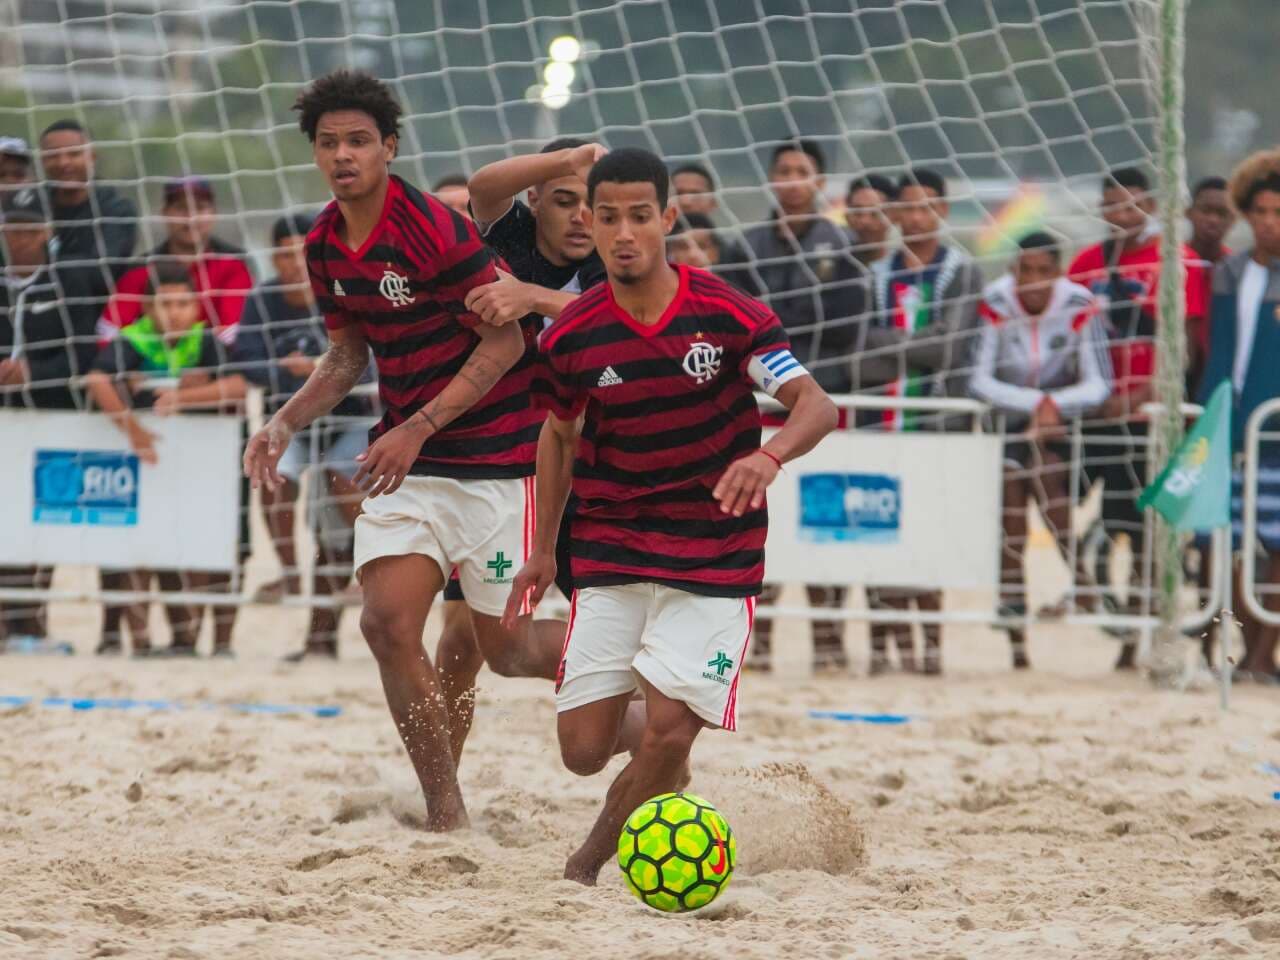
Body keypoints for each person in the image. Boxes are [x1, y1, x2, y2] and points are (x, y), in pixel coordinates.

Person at [505, 147, 838, 885]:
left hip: (714, 558)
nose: (625, 233)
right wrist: (542, 549)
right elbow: (558, 437)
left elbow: (817, 406)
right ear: (588, 222)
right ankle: (661, 751)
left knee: (665, 735)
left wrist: (769, 457)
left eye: (640, 217)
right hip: (612, 550)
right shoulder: (571, 334)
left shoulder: (728, 315)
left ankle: (588, 862)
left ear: (669, 218)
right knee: (583, 752)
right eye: (609, 218)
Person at [242, 69, 565, 831]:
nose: (342, 155)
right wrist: (282, 422)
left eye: (358, 140)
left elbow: (508, 338)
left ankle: (633, 675)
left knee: (510, 653)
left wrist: (418, 422)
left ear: (389, 146)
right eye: (329, 143)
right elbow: (347, 355)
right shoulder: (323, 242)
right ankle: (446, 812)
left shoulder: (433, 229)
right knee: (385, 624)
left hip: (495, 467)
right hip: (413, 472)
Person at [424, 138, 607, 761]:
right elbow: (482, 185)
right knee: (461, 642)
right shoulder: (512, 234)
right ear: (536, 202)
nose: (582, 218)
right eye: (565, 202)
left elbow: (624, 321)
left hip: (594, 474)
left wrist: (532, 297)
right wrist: (570, 158)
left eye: (594, 205)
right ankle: (443, 784)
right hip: (506, 471)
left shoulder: (618, 256)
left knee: (605, 620)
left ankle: (653, 732)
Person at [1065, 167, 1209, 668]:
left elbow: (1186, 344)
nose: (1121, 215)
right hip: (1099, 416)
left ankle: (1146, 636)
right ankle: (1113, 618)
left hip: (1152, 417)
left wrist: (1145, 393)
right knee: (1103, 520)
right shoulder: (1085, 263)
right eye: (1112, 205)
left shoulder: (1177, 261)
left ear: (1150, 206)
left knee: (1153, 531)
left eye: (1131, 205)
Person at [742, 139, 868, 673]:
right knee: (756, 524)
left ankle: (828, 639)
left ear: (820, 182)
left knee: (827, 528)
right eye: (783, 170)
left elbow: (848, 318)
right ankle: (760, 641)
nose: (792, 179)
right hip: (753, 408)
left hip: (816, 410)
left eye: (802, 171)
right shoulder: (746, 245)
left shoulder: (844, 246)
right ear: (771, 180)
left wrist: (781, 325)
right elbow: (739, 314)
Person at [858, 167, 984, 675]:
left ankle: (930, 648)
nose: (916, 216)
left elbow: (951, 348)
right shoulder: (876, 275)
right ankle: (885, 647)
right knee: (875, 531)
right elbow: (861, 355)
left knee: (928, 537)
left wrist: (895, 345)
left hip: (939, 423)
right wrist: (919, 344)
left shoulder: (964, 270)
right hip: (878, 421)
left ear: (944, 211)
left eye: (927, 206)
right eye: (907, 207)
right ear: (893, 214)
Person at [84, 262, 246, 655]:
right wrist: (133, 429)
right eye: (164, 304)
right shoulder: (131, 340)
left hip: (201, 464)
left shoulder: (205, 342)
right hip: (146, 458)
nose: (173, 312)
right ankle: (138, 640)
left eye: (182, 303)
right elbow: (96, 381)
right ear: (148, 308)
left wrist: (184, 395)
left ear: (195, 307)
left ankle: (192, 640)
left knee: (200, 548)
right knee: (139, 551)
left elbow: (240, 386)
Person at [232, 214, 374, 656]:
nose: (294, 262)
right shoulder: (263, 299)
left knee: (339, 509)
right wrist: (286, 371)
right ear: (273, 257)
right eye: (284, 252)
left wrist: (321, 371)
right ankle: (291, 574)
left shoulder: (342, 289)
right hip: (291, 422)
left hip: (350, 419)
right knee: (272, 479)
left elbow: (367, 360)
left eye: (301, 251)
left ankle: (369, 574)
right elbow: (245, 360)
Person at [969, 232, 1111, 669]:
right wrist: (1035, 404)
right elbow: (978, 378)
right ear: (1013, 271)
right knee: (1013, 501)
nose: (1031, 281)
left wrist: (1055, 406)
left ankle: (1063, 589)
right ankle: (1056, 597)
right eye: (1023, 270)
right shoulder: (995, 302)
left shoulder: (1078, 305)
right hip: (1011, 416)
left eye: (1042, 271)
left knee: (1046, 479)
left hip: (1063, 423)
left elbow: (1098, 381)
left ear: (1057, 273)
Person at [0, 187, 98, 647]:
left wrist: (32, 374)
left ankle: (32, 618)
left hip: (53, 417)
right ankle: (9, 620)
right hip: (5, 420)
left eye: (29, 228)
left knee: (43, 519)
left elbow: (82, 357)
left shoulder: (68, 283)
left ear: (47, 231)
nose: (20, 237)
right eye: (12, 228)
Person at [1197, 149, 1280, 682]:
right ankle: (1244, 644)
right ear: (1246, 216)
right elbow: (1219, 349)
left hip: (1276, 427)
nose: (1270, 223)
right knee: (1219, 541)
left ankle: (1261, 655)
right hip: (1230, 422)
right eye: (1262, 212)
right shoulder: (1228, 271)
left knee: (1277, 541)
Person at [99, 177, 253, 346]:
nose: (191, 217)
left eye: (200, 208)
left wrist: (201, 360)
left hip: (214, 366)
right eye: (181, 208)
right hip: (149, 366)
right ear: (164, 213)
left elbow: (236, 329)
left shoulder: (234, 264)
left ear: (214, 213)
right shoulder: (141, 268)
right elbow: (109, 330)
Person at [37, 120, 138, 303]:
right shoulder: (32, 205)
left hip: (94, 318)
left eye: (74, 154)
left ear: (92, 157)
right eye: (53, 155)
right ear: (42, 160)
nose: (63, 162)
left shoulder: (116, 209)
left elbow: (100, 275)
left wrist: (43, 253)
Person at [1184, 176, 1235, 394]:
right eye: (1206, 211)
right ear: (1189, 213)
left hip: (1219, 374)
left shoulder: (1238, 271)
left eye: (1221, 213)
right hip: (1175, 371)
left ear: (1234, 219)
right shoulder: (1169, 265)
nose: (1213, 220)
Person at [667, 212, 759, 295]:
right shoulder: (662, 294)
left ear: (715, 253)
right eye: (683, 247)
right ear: (670, 252)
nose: (693, 255)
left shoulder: (735, 295)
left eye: (702, 246)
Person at [845, 174, 895, 280]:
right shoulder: (833, 269)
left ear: (892, 216)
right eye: (858, 212)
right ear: (846, 215)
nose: (865, 221)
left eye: (875, 213)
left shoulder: (903, 270)